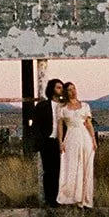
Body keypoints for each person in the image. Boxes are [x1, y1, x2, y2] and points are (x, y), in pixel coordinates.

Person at [56, 81, 96, 209]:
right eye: (69, 90)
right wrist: (60, 142)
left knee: (86, 167)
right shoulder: (62, 108)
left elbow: (89, 124)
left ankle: (85, 199)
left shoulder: (84, 106)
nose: (73, 92)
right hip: (71, 137)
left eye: (74, 89)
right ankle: (71, 198)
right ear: (66, 93)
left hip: (85, 137)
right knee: (71, 167)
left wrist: (93, 139)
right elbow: (60, 126)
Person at [26, 78, 65, 207]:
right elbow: (35, 125)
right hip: (48, 142)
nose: (61, 89)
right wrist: (39, 141)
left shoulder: (65, 106)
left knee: (62, 170)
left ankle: (62, 198)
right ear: (52, 89)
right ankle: (50, 200)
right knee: (49, 171)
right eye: (58, 87)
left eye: (61, 87)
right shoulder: (42, 106)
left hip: (62, 142)